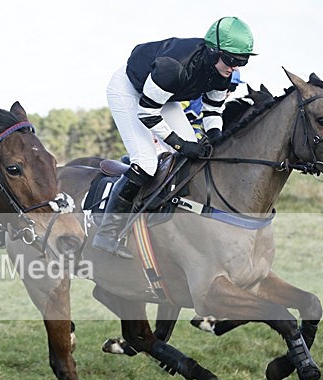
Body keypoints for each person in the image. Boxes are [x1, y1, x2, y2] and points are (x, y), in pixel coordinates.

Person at [92, 16, 255, 259]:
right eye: (232, 60)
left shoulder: (221, 73)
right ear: (212, 51)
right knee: (146, 163)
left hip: (165, 97)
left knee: (191, 159)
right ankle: (106, 233)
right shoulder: (174, 67)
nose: (235, 67)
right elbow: (147, 113)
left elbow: (212, 111)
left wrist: (215, 138)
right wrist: (180, 144)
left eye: (242, 61)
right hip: (130, 92)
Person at [183, 70, 245, 139]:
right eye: (229, 88)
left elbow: (197, 125)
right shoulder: (192, 97)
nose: (229, 93)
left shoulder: (217, 109)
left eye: (233, 89)